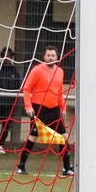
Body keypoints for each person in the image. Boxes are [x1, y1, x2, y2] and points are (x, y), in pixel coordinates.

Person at [15, 44, 74, 177]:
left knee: (64, 137)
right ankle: (21, 166)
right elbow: (26, 88)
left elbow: (59, 92)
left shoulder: (60, 71)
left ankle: (67, 168)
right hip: (39, 108)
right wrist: (28, 106)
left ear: (57, 57)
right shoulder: (37, 70)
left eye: (53, 55)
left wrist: (63, 108)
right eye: (48, 55)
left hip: (54, 110)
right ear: (44, 57)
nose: (50, 57)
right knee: (33, 136)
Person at [0, 47, 22, 154]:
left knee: (6, 125)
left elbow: (17, 87)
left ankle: (0, 144)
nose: (7, 58)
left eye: (9, 56)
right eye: (5, 56)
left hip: (9, 104)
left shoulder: (14, 72)